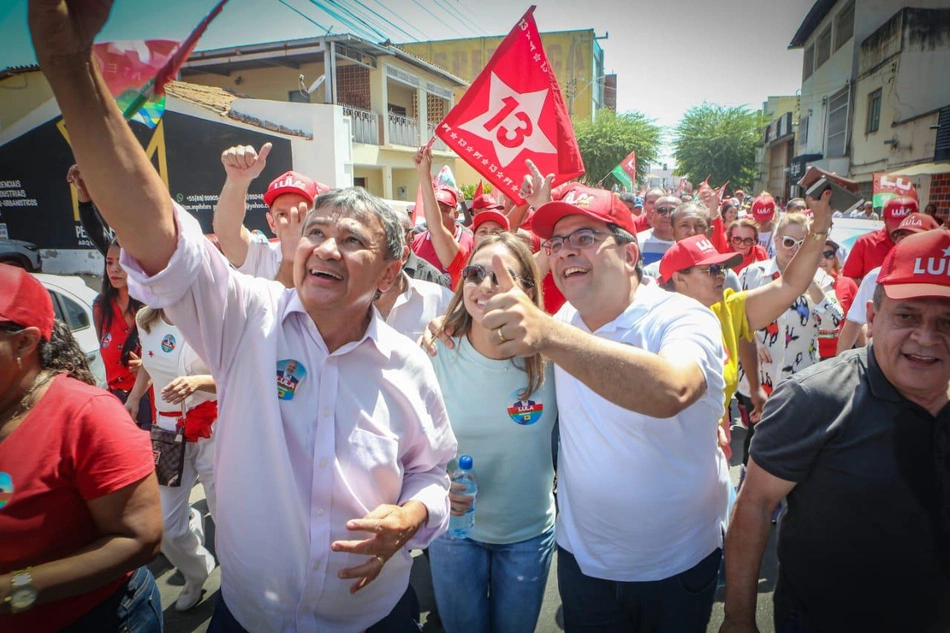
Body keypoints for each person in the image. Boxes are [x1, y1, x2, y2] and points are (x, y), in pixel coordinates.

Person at [30, 5, 458, 631]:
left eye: (353, 240)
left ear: (390, 274)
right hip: (250, 615)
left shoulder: (408, 364)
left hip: (377, 616)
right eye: (317, 231)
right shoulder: (244, 318)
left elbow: (431, 472)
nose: (327, 248)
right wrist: (70, 68)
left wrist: (413, 517)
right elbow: (162, 235)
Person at [483, 180, 729, 631]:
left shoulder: (681, 316)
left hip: (674, 564)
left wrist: (550, 335)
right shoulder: (560, 323)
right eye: (557, 243)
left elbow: (673, 389)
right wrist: (446, 328)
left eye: (585, 238)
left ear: (631, 255)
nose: (565, 252)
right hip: (584, 563)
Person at [721, 228, 950, 633]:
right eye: (908, 316)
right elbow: (755, 504)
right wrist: (739, 619)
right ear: (874, 320)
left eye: (947, 321)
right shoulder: (813, 400)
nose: (927, 337)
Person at [0, 264, 163, 633]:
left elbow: (140, 539)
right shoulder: (102, 305)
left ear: (24, 342)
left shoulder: (87, 415)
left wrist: (14, 591)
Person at [426, 232, 556, 633]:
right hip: (454, 534)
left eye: (500, 276)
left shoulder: (553, 357)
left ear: (527, 290)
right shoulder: (434, 352)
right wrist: (434, 489)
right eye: (475, 273)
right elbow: (408, 446)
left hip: (527, 535)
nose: (484, 285)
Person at [658, 190, 832, 441]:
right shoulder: (653, 320)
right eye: (711, 270)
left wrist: (820, 226)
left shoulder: (728, 310)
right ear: (679, 278)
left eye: (722, 267)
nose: (721, 275)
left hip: (712, 453)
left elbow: (790, 286)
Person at [125, 307, 218, 612]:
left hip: (212, 431)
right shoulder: (145, 320)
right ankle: (197, 570)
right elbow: (150, 363)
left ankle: (239, 583)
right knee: (164, 526)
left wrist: (198, 383)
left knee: (227, 517)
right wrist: (135, 397)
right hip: (167, 433)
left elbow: (240, 375)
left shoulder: (212, 315)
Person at [736, 212, 843, 461]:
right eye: (788, 242)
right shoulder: (752, 274)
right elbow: (735, 319)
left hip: (800, 377)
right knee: (757, 437)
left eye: (801, 243)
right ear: (775, 241)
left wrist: (811, 285)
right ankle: (750, 490)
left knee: (794, 441)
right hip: (759, 375)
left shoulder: (821, 279)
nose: (794, 249)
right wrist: (756, 340)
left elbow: (835, 322)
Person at [213, 143, 330, 286]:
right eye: (282, 214)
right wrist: (237, 181)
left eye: (300, 213)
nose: (291, 221)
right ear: (272, 223)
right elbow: (228, 233)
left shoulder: (334, 257)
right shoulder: (262, 256)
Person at [834, 212, 940, 355]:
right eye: (901, 237)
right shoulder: (876, 277)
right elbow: (852, 325)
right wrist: (839, 369)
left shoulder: (944, 283)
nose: (906, 242)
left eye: (916, 238)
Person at [94, 240, 150, 429]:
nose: (114, 269)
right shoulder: (101, 307)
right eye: (109, 262)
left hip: (150, 403)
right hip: (116, 404)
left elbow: (169, 355)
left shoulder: (152, 306)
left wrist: (147, 366)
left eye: (121, 262)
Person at [411, 146, 474, 275]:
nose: (437, 215)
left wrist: (424, 173)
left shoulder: (471, 242)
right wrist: (423, 172)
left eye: (444, 210)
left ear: (456, 214)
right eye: (435, 209)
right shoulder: (416, 241)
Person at [841, 195, 917, 283]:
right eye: (895, 225)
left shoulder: (926, 246)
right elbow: (847, 281)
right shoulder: (865, 243)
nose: (900, 230)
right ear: (883, 220)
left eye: (906, 225)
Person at [815, 239, 857, 359]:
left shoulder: (848, 284)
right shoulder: (797, 285)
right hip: (807, 356)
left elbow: (858, 324)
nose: (823, 259)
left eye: (829, 254)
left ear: (834, 259)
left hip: (839, 357)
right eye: (818, 254)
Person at [636, 193, 678, 265]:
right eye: (662, 210)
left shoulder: (687, 244)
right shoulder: (636, 241)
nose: (667, 215)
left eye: (673, 211)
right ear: (652, 214)